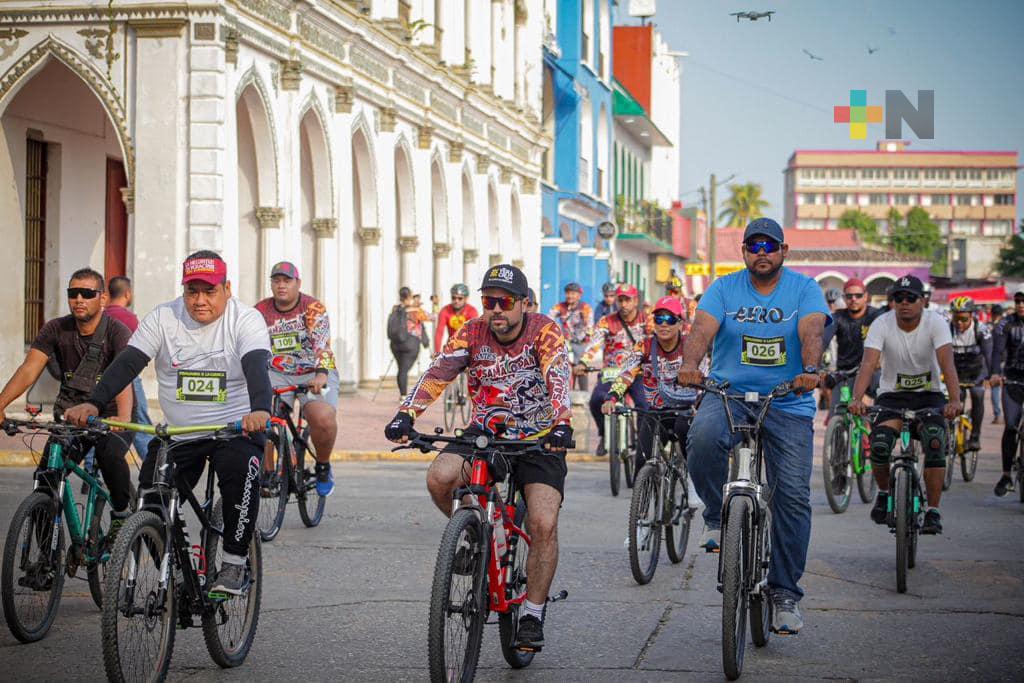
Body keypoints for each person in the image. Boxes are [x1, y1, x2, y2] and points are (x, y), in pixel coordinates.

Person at [385, 264, 572, 652]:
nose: (496, 309)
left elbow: (557, 376)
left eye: (505, 301)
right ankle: (478, 533)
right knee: (439, 477)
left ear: (524, 303)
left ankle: (532, 614)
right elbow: (439, 371)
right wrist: (407, 414)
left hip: (540, 439)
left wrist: (562, 422)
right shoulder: (472, 332)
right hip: (486, 434)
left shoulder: (545, 330)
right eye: (489, 301)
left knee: (543, 522)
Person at [65, 251, 272, 595]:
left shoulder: (245, 320)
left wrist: (261, 409)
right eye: (192, 291)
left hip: (235, 429)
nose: (200, 300)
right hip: (180, 433)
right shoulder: (164, 317)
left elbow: (256, 366)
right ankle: (175, 571)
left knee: (240, 475)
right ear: (183, 290)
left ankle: (234, 563)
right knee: (150, 498)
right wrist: (94, 402)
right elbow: (128, 363)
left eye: (210, 291)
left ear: (227, 289)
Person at [677, 218, 828, 636]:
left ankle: (785, 593)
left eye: (770, 246)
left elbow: (811, 329)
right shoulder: (724, 288)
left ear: (784, 251)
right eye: (754, 246)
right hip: (727, 393)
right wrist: (689, 365)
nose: (762, 253)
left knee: (792, 496)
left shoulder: (804, 289)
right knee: (702, 439)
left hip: (787, 400)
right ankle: (715, 516)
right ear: (743, 251)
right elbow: (702, 329)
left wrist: (810, 369)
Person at [0, 268, 135, 537]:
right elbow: (29, 370)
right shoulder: (56, 329)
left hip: (109, 414)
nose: (79, 299)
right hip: (71, 415)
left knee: (109, 456)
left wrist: (123, 417)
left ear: (103, 298)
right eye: (73, 293)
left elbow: (123, 376)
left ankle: (121, 514)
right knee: (46, 478)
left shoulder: (116, 332)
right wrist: (1, 403)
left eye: (87, 293)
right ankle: (47, 557)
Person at [849, 275, 959, 537]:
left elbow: (947, 364)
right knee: (879, 444)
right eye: (899, 298)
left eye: (911, 298)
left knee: (935, 441)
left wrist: (954, 400)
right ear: (892, 302)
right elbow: (868, 364)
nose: (905, 303)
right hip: (892, 396)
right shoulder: (881, 324)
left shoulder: (936, 322)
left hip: (929, 395)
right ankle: (884, 492)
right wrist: (856, 398)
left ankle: (933, 510)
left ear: (923, 301)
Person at [254, 261, 339, 496]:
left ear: (298, 284)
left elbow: (322, 345)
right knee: (261, 417)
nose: (281, 285)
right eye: (276, 280)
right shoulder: (259, 311)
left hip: (313, 372)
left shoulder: (312, 308)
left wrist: (321, 375)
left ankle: (323, 465)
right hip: (275, 373)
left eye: (287, 280)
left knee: (322, 419)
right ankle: (268, 474)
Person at [602, 296, 696, 470]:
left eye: (670, 319)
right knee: (641, 462)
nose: (664, 324)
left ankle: (691, 485)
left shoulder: (691, 345)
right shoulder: (643, 346)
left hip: (686, 412)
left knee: (693, 460)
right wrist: (612, 398)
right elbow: (626, 374)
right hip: (657, 411)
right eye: (659, 319)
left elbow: (704, 374)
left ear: (680, 323)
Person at [576, 283, 650, 456]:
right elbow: (594, 344)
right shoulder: (606, 321)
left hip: (638, 374)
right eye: (620, 300)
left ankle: (642, 442)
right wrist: (583, 362)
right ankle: (604, 434)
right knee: (595, 401)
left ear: (635, 301)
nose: (623, 304)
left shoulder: (647, 320)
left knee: (645, 405)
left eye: (628, 300)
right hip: (611, 373)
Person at [104, 276, 155, 458]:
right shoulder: (129, 318)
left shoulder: (101, 316)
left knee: (98, 425)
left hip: (101, 377)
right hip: (128, 377)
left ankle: (92, 472)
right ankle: (153, 465)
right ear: (127, 293)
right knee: (140, 423)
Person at [823, 277, 884, 419]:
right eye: (849, 296)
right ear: (844, 298)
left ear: (866, 296)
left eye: (858, 295)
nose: (853, 299)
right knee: (836, 414)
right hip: (845, 373)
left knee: (872, 415)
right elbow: (823, 340)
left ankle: (869, 429)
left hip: (872, 372)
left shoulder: (877, 316)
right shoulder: (838, 317)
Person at [987, 286, 1024, 496]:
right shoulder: (1005, 323)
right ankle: (1006, 475)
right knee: (1010, 426)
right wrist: (994, 373)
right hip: (1013, 381)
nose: (1021, 305)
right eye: (1018, 301)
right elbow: (997, 351)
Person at [948, 296, 992, 451]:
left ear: (972, 316)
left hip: (976, 371)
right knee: (951, 399)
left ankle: (975, 437)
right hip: (955, 371)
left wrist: (989, 376)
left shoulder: (981, 330)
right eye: (956, 319)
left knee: (977, 394)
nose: (959, 323)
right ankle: (948, 434)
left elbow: (989, 356)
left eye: (964, 319)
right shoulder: (947, 329)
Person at [549, 282, 594, 391]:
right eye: (568, 293)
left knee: (581, 369)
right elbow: (549, 318)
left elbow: (590, 325)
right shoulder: (560, 306)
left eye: (573, 293)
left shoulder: (585, 308)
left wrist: (587, 336)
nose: (570, 296)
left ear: (579, 295)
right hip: (566, 343)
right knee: (562, 368)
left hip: (581, 343)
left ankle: (584, 394)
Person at [387, 287, 429, 396]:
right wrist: (435, 304)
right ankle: (404, 396)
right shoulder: (414, 310)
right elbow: (430, 318)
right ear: (409, 296)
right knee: (403, 370)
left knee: (401, 370)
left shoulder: (395, 309)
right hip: (411, 344)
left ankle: (403, 395)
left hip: (395, 344)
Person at [434, 283, 479, 355]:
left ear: (466, 299)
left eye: (460, 298)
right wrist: (437, 352)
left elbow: (474, 334)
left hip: (467, 347)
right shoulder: (445, 310)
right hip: (451, 347)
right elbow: (439, 332)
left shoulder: (472, 311)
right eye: (453, 298)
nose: (456, 301)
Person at [990, 303, 1005, 424]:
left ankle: (997, 415)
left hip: (997, 361)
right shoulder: (1008, 324)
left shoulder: (995, 328)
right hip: (1009, 361)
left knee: (995, 388)